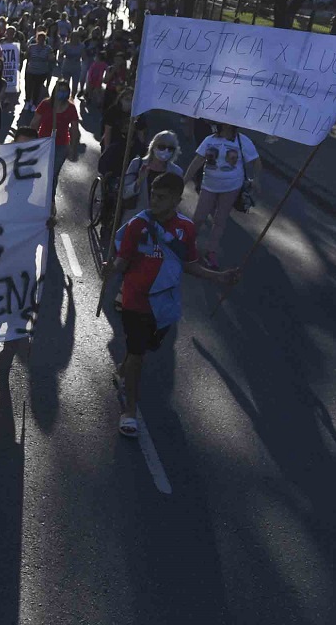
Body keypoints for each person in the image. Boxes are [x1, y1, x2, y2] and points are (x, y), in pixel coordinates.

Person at [107, 172, 239, 438]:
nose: (154, 201)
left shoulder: (186, 229)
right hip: (134, 301)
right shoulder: (137, 225)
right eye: (153, 195)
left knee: (145, 348)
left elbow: (189, 264)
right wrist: (109, 269)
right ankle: (129, 411)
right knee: (137, 355)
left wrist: (219, 277)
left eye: (162, 197)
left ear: (177, 200)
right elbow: (121, 262)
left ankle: (123, 370)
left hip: (164, 305)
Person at [184, 123, 261, 269]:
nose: (226, 124)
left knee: (220, 220)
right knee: (199, 217)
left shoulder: (242, 140)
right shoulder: (209, 140)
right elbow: (197, 161)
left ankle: (210, 252)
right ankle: (188, 245)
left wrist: (256, 179)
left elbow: (256, 161)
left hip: (231, 187)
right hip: (209, 186)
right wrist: (183, 181)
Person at [121, 130, 184, 219]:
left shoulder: (176, 172)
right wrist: (139, 181)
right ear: (153, 147)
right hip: (135, 218)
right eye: (161, 147)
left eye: (170, 149)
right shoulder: (137, 164)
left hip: (161, 222)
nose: (166, 151)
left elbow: (175, 201)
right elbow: (124, 193)